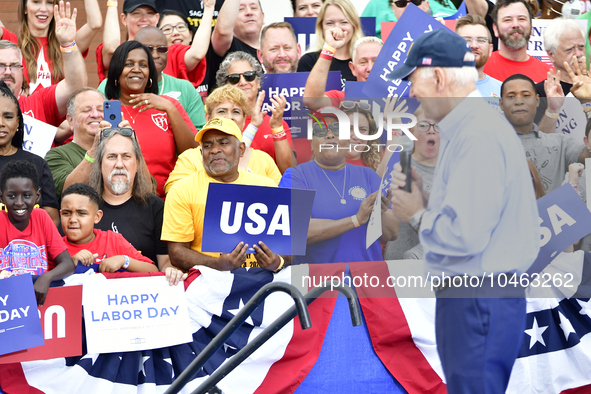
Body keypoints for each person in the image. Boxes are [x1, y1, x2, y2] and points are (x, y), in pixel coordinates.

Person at [387, 28, 540, 393]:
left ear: (438, 76)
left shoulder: (477, 134)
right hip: (478, 296)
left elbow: (464, 236)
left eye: (412, 80)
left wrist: (417, 211)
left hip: (476, 296)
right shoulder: (474, 130)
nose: (410, 92)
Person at [162, 117, 284, 272]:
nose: (214, 150)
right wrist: (216, 265)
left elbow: (289, 247)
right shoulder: (181, 190)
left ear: (241, 149)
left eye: (223, 143)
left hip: (262, 280)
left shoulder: (266, 186)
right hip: (206, 283)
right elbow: (176, 252)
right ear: (201, 152)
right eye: (207, 145)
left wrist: (278, 262)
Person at [289, 110, 398, 264]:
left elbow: (392, 234)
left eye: (337, 129)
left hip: (367, 279)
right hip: (317, 281)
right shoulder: (297, 175)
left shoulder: (369, 176)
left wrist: (379, 214)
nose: (330, 135)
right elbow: (298, 231)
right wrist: (356, 219)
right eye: (320, 130)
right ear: (311, 143)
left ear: (348, 141)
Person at [88, 127, 186, 284]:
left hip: (142, 299)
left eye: (126, 156)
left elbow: (164, 263)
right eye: (112, 157)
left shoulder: (156, 207)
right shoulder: (85, 207)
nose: (119, 164)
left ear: (137, 163)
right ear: (100, 164)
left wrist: (171, 270)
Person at [104, 40, 198, 197]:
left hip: (168, 203)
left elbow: (193, 153)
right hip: (120, 202)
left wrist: (170, 109)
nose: (136, 70)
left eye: (143, 65)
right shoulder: (106, 111)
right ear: (116, 71)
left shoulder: (169, 105)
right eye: (129, 64)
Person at [165, 84, 281, 193]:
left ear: (244, 120)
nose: (229, 117)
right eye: (222, 111)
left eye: (236, 112)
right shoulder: (190, 158)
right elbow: (174, 193)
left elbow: (280, 200)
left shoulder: (264, 160)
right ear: (208, 117)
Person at [98, 27, 206, 130]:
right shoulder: (108, 85)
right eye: (148, 49)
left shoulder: (185, 87)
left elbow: (198, 138)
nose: (155, 55)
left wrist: (170, 108)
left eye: (162, 49)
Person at [0, 4, 87, 129]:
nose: (8, 71)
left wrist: (68, 43)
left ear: (22, 71)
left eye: (14, 66)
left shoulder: (40, 102)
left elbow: (75, 86)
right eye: (1, 65)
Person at [0, 160, 75, 305]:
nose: (20, 202)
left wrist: (46, 277)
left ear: (38, 196)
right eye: (12, 196)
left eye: (27, 195)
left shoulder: (41, 217)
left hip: (40, 298)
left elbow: (67, 264)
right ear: (1, 197)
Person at [500, 73, 590, 193]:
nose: (519, 101)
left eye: (526, 95)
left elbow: (588, 156)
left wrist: (587, 104)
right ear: (501, 103)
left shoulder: (562, 143)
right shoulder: (485, 144)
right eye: (511, 96)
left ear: (537, 100)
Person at [98, 0, 211, 91]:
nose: (144, 19)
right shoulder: (121, 52)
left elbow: (197, 53)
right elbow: (111, 49)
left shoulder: (167, 51)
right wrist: (112, 3)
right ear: (124, 19)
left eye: (150, 13)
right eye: (137, 13)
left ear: (157, 18)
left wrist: (209, 8)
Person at [45, 87, 132, 201]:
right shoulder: (56, 155)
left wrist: (131, 142)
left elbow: (149, 187)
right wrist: (96, 147)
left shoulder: (121, 152)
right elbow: (69, 192)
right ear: (70, 120)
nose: (95, 115)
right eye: (86, 110)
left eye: (101, 110)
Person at [216, 51, 294, 173]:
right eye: (234, 78)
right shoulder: (219, 124)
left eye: (249, 76)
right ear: (225, 86)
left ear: (258, 83)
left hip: (270, 188)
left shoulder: (277, 123)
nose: (242, 82)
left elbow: (288, 171)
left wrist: (277, 127)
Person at [0, 0, 100, 94]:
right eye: (36, 2)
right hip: (22, 111)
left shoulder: (66, 41)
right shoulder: (10, 41)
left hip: (58, 111)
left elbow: (95, 24)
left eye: (49, 2)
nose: (43, 9)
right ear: (25, 8)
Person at [61, 183, 158, 273]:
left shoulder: (113, 240)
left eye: (81, 213)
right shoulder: (55, 247)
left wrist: (124, 260)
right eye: (66, 213)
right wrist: (69, 264)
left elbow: (153, 271)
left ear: (97, 216)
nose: (73, 219)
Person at [0, 81, 59, 226]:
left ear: (18, 121)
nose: (1, 123)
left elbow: (52, 220)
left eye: (8, 117)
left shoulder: (37, 164)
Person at [383, 107, 439, 260]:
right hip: (398, 266)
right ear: (411, 131)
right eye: (423, 125)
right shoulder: (399, 163)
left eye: (438, 125)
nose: (431, 131)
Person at [533, 18, 587, 133]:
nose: (578, 54)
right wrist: (552, 111)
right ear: (551, 55)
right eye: (570, 49)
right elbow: (538, 141)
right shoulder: (541, 92)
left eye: (581, 47)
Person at [297, 0, 364, 89]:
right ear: (321, 27)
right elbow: (307, 99)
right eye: (330, 23)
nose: (337, 28)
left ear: (354, 25)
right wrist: (330, 48)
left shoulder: (365, 61)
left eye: (344, 22)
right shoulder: (308, 61)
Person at [303, 36, 383, 111]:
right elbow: (311, 100)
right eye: (363, 62)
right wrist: (329, 49)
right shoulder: (343, 99)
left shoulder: (395, 96)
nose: (370, 68)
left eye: (377, 62)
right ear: (353, 69)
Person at [483, 0, 551, 82]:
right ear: (495, 29)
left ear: (531, 27)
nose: (515, 25)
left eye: (521, 19)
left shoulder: (549, 75)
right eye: (507, 20)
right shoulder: (479, 69)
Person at [455, 14, 502, 98]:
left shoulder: (502, 91)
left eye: (481, 40)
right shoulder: (438, 88)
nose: (474, 45)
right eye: (467, 40)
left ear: (490, 50)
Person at [362, 0, 452, 38]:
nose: (409, 7)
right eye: (401, 3)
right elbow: (359, 40)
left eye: (416, 1)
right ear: (393, 7)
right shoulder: (375, 5)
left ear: (426, 5)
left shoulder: (445, 2)